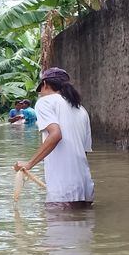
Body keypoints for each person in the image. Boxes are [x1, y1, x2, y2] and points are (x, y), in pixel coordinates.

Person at [13, 67, 94, 204]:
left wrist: (29, 163)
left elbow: (55, 134)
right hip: (86, 189)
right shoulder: (81, 109)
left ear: (45, 84)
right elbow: (84, 152)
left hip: (63, 190)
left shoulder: (45, 102)